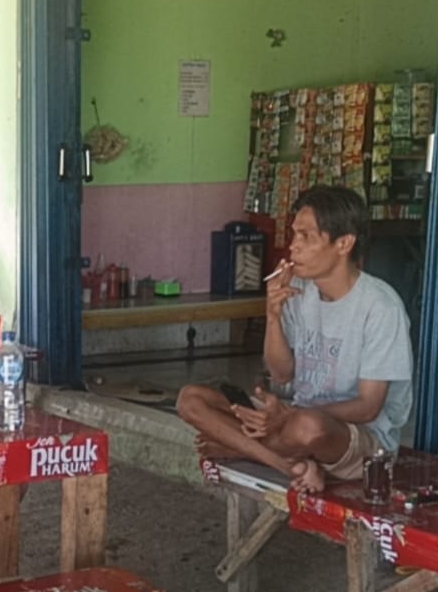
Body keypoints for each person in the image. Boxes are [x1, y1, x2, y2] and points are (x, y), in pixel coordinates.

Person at [177, 186, 414, 492]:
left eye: (306, 237)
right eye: (293, 235)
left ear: (344, 243)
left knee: (307, 427)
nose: (293, 247)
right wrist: (272, 314)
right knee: (192, 399)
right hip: (292, 418)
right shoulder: (300, 291)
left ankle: (241, 447)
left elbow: (368, 407)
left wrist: (288, 415)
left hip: (355, 437)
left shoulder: (381, 306)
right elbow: (281, 374)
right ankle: (289, 465)